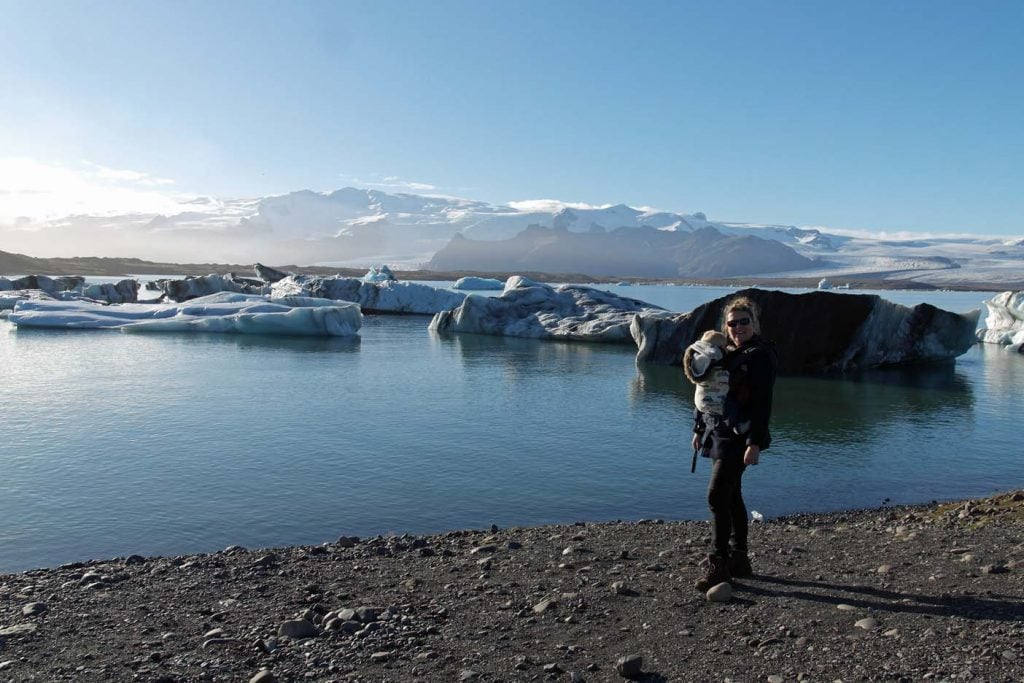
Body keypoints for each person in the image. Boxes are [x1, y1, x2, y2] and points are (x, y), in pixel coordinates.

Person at [690, 296, 777, 590]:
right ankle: (739, 559)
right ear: (725, 327)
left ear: (754, 323)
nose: (738, 327)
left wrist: (754, 442)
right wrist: (699, 428)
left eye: (744, 321)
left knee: (716, 496)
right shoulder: (724, 354)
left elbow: (762, 403)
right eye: (732, 323)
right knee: (732, 494)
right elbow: (707, 392)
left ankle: (718, 564)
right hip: (720, 433)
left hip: (740, 436)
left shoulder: (760, 356)